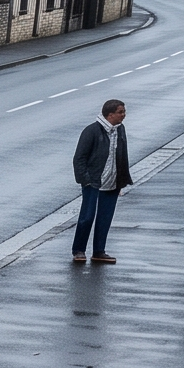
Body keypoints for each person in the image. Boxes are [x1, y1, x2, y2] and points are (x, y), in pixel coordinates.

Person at [71, 98, 132, 264]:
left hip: (112, 182)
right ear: (110, 114)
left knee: (105, 218)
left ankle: (99, 251)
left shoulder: (120, 130)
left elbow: (122, 156)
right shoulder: (91, 131)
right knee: (87, 217)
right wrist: (86, 180)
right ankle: (78, 250)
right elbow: (79, 158)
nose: (124, 115)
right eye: (121, 112)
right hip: (94, 182)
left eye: (123, 112)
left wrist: (121, 180)